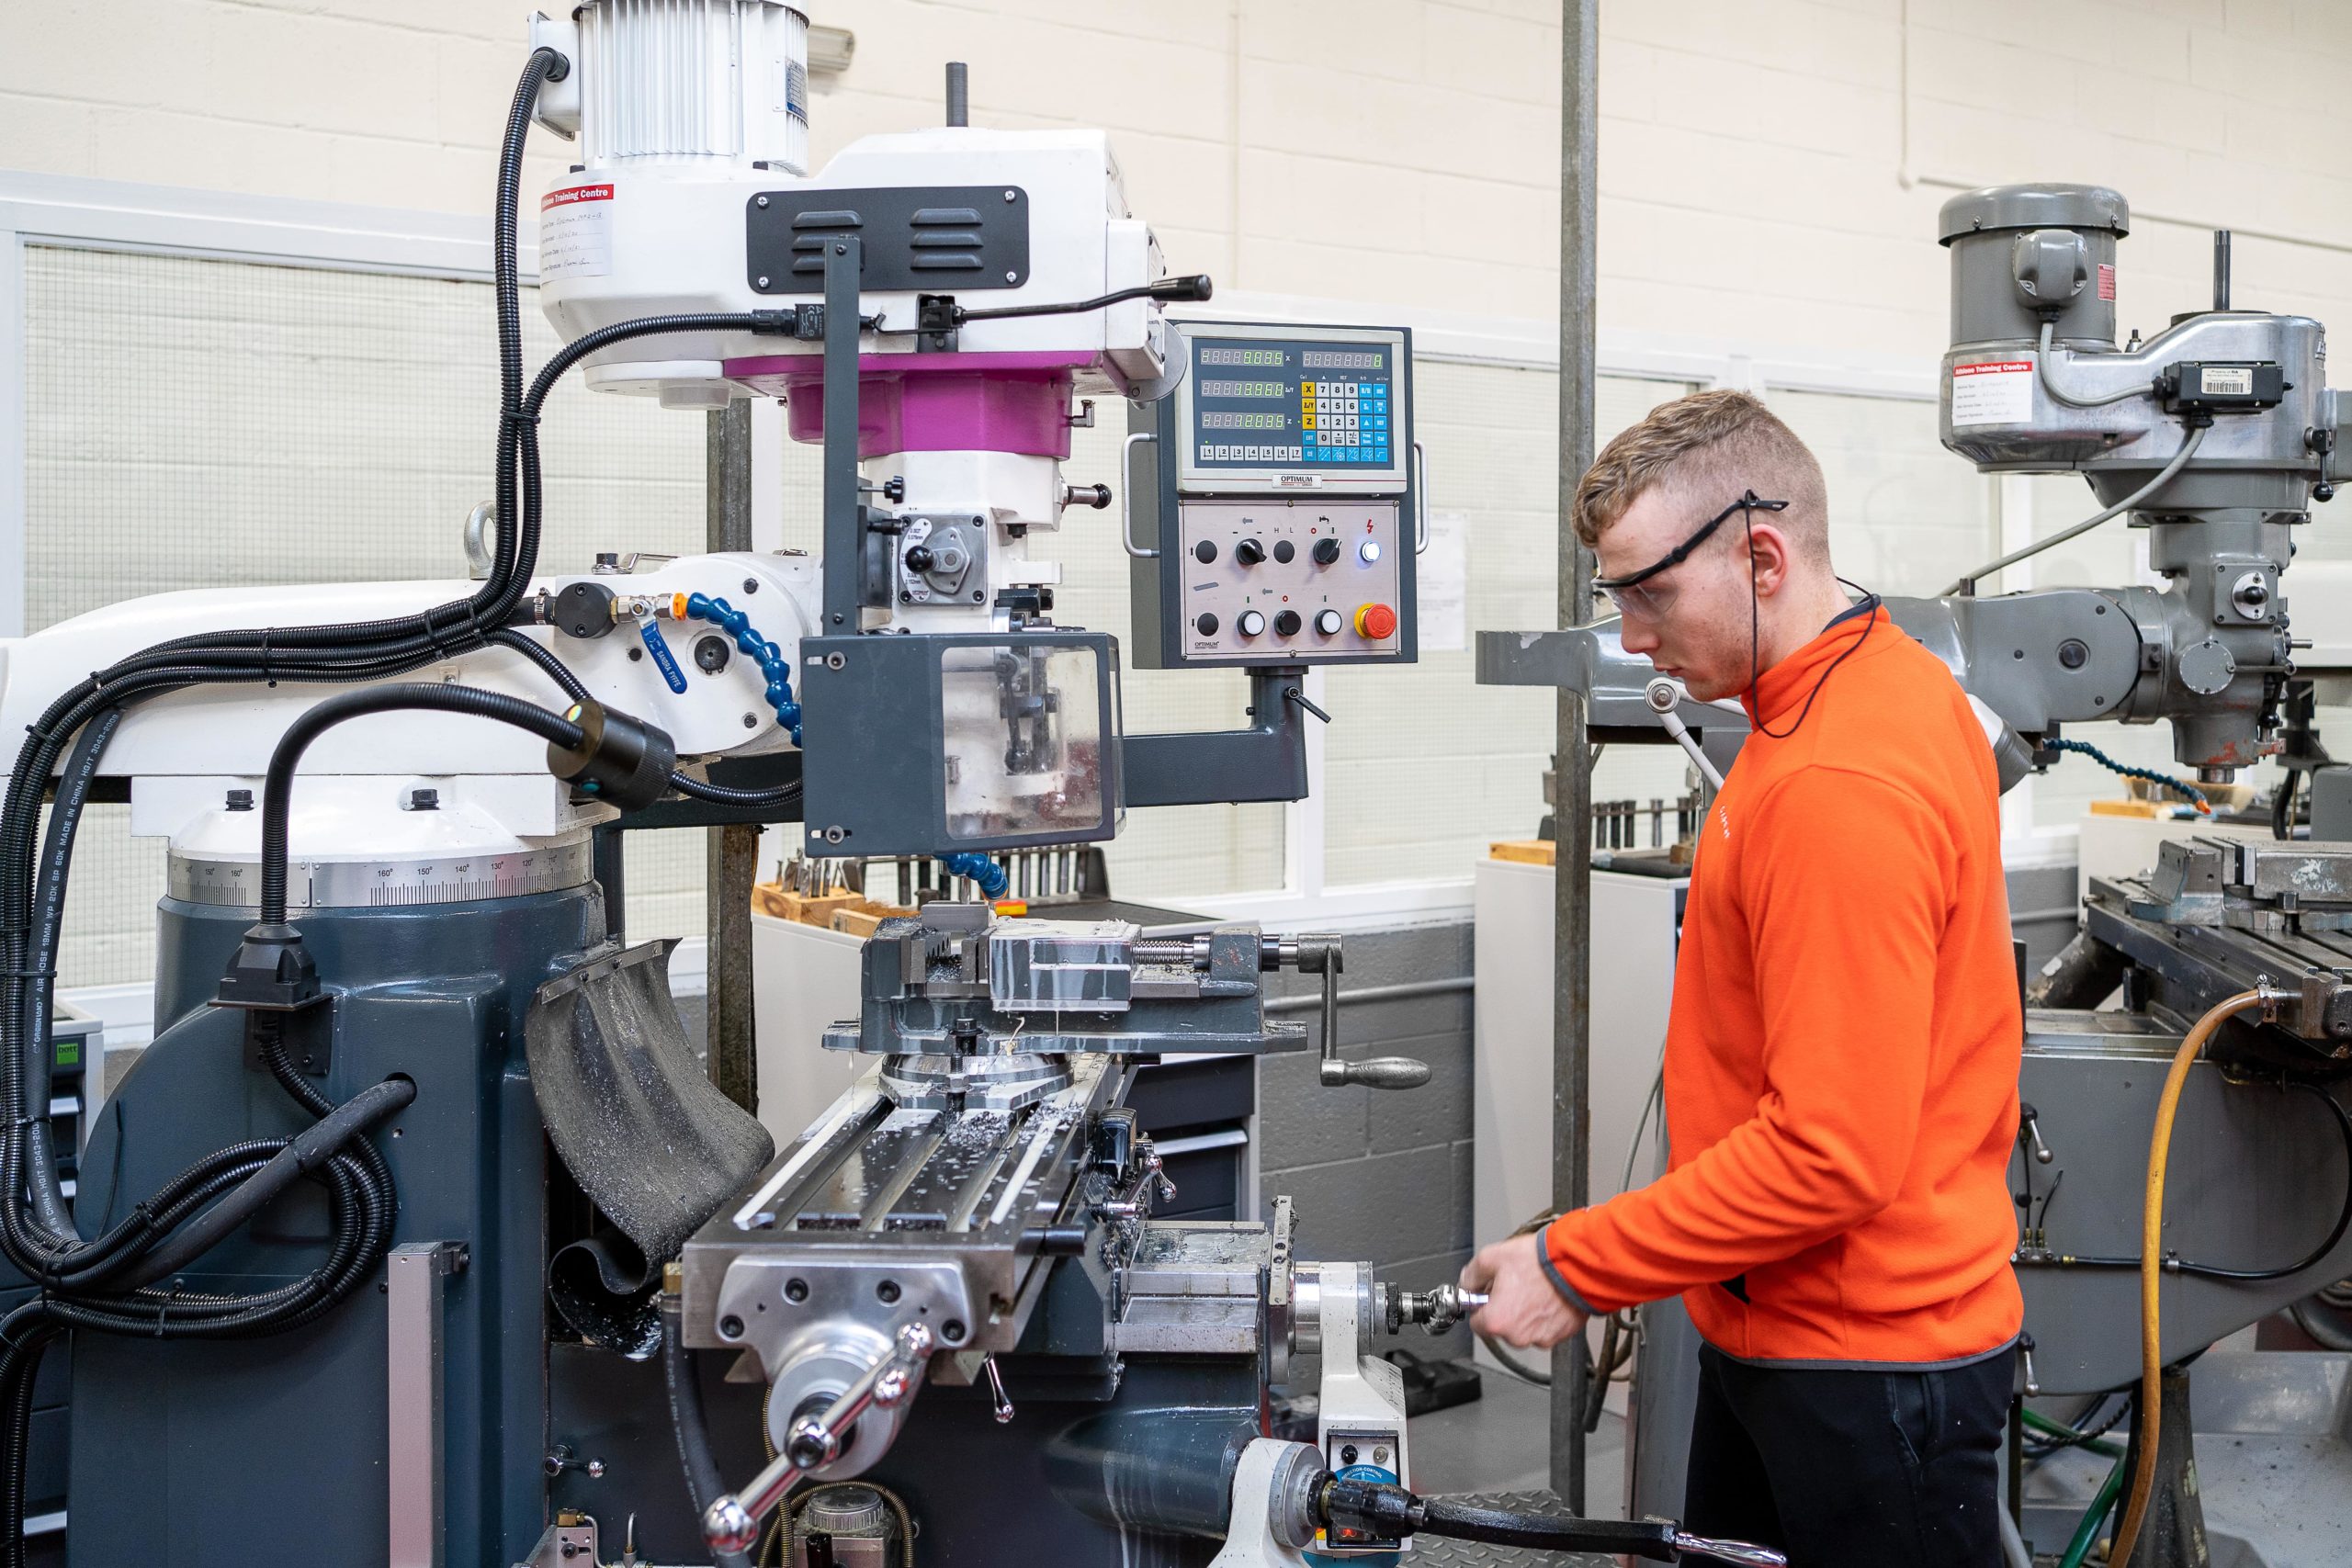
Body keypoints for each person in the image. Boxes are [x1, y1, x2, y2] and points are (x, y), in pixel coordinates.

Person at [1461, 389, 2023, 1565]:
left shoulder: (1833, 785)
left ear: (1760, 558)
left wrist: (1579, 1263)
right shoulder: (1878, 681)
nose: (1630, 637)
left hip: (1862, 1367)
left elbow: (1830, 1153)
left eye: (1649, 594)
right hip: (1794, 1325)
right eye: (1615, 598)